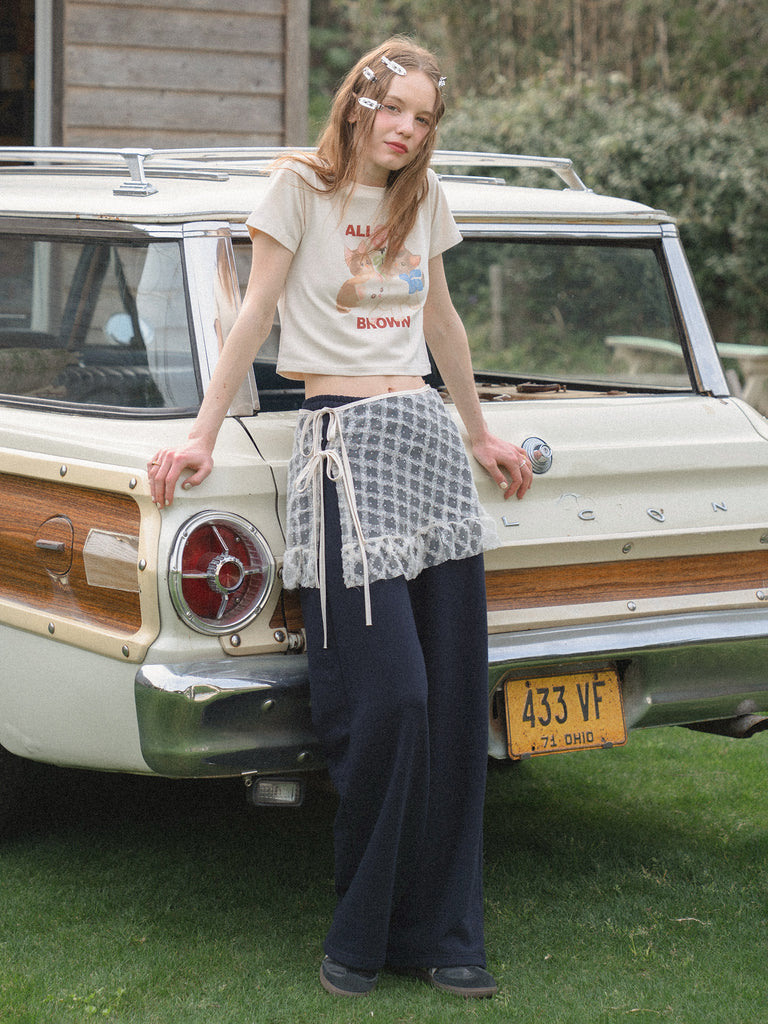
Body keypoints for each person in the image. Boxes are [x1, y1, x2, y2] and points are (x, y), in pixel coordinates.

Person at [148, 36, 531, 999]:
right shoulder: (298, 190)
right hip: (340, 452)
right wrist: (202, 435)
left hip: (427, 446)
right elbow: (254, 314)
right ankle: (362, 933)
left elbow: (441, 321)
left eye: (424, 118)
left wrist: (481, 431)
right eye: (394, 108)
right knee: (390, 700)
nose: (407, 130)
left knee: (453, 702)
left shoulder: (423, 201)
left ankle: (446, 934)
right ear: (358, 101)